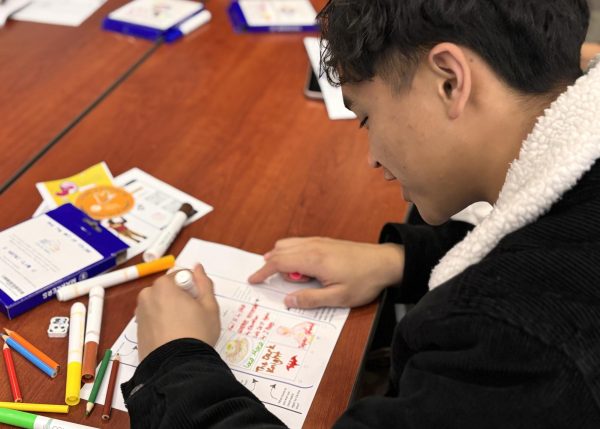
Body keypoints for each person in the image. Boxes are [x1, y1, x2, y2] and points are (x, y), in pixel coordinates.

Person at [124, 0, 600, 427]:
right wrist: (401, 260)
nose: (371, 157)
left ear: (450, 81)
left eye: (367, 117)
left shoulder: (516, 340)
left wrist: (174, 363)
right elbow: (540, 245)